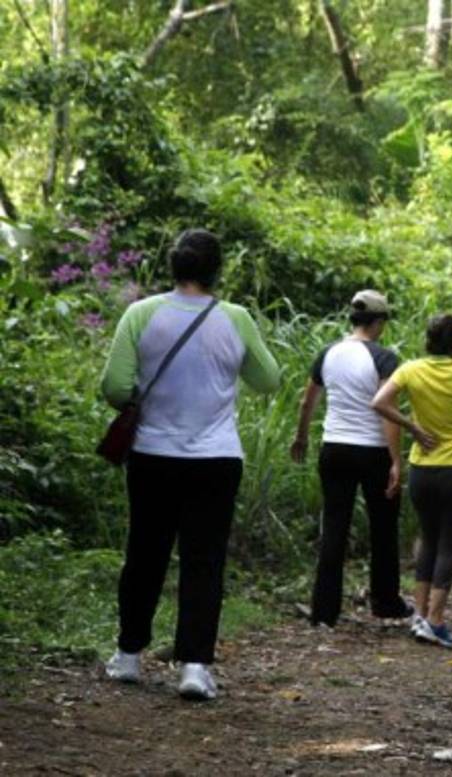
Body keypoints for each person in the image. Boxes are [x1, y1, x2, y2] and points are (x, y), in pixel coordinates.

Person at [100, 229, 281, 700]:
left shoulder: (141, 314)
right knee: (205, 560)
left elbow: (114, 386)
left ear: (173, 266)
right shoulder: (235, 318)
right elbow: (269, 379)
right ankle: (195, 667)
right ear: (216, 270)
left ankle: (128, 655)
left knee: (145, 554)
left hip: (153, 455)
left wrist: (145, 399)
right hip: (216, 459)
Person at [291, 290, 415, 630]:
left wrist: (301, 437)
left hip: (334, 448)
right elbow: (388, 413)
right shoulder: (384, 358)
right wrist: (396, 460)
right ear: (379, 322)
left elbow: (307, 402)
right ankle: (385, 601)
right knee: (383, 525)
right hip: (372, 449)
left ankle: (324, 610)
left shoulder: (328, 353)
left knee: (334, 526)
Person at [371, 314, 452, 649]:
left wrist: (413, 427)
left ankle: (419, 614)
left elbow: (379, 403)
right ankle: (436, 620)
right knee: (448, 543)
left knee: (428, 538)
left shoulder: (410, 369)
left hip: (422, 468)